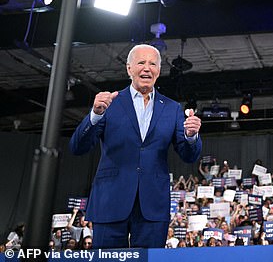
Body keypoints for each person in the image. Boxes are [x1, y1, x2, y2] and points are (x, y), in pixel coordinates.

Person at [69, 44, 202, 249]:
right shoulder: (109, 103)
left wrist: (191, 136)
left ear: (158, 71)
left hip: (152, 206)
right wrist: (95, 115)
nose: (147, 68)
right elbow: (77, 147)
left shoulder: (173, 109)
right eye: (141, 62)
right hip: (110, 201)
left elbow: (189, 156)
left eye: (152, 64)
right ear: (129, 68)